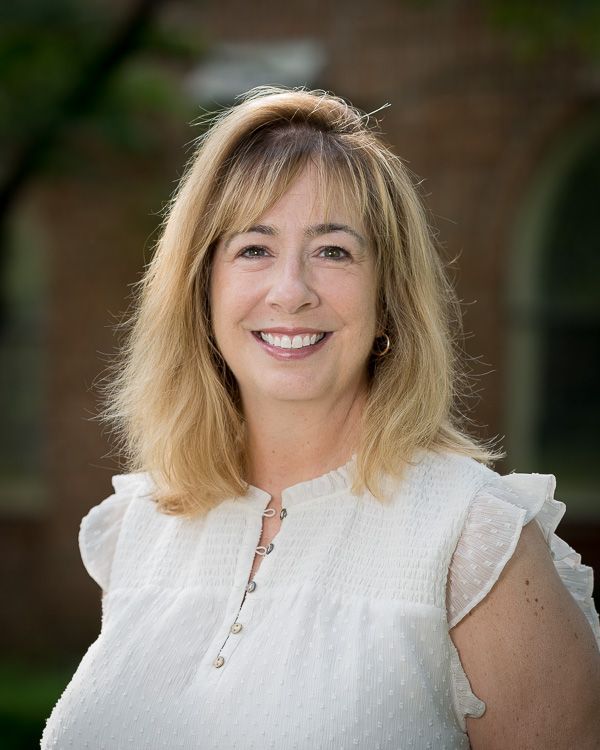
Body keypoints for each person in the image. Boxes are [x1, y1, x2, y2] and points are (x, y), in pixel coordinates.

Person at [41, 86, 600, 749]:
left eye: (333, 251)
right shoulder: (143, 526)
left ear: (387, 298)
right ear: (202, 287)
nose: (291, 291)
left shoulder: (473, 539)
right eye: (254, 249)